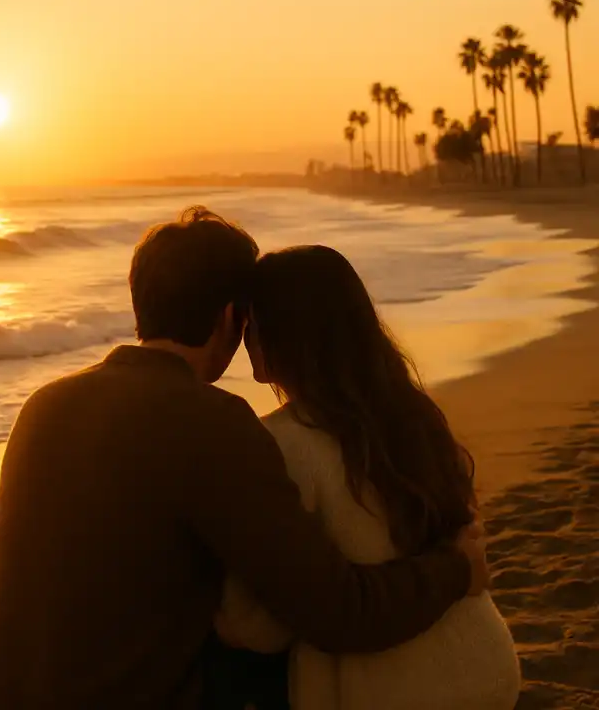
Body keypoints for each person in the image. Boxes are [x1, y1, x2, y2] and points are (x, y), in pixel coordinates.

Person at [0, 208, 490, 710]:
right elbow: (339, 614)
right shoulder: (212, 421)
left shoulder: (44, 404)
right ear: (229, 319)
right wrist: (454, 569)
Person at [216, 245, 520, 710]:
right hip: (489, 670)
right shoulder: (413, 414)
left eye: (251, 325)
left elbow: (254, 627)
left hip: (393, 695)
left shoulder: (282, 442)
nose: (245, 340)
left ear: (283, 333)